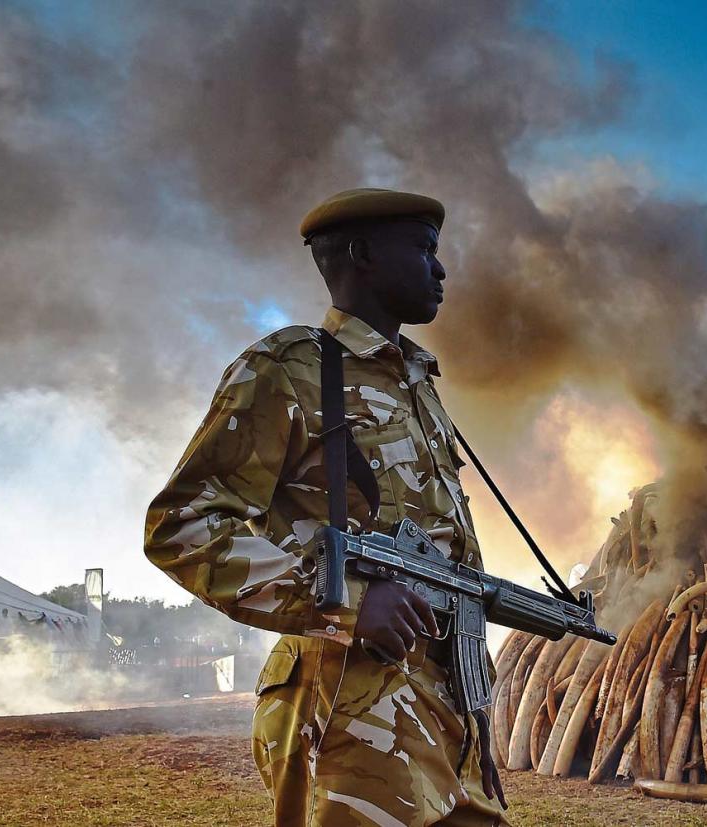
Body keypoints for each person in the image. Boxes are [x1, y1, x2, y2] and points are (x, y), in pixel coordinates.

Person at [145, 188, 508, 826]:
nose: (441, 268)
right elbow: (183, 525)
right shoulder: (290, 369)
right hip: (346, 709)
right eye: (424, 249)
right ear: (362, 255)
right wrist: (343, 601)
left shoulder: (418, 386)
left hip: (441, 704)